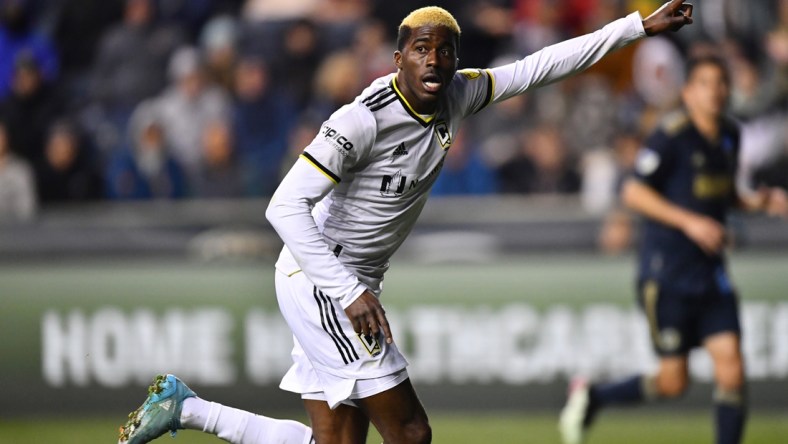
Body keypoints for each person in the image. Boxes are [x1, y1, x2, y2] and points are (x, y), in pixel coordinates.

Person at [118, 3, 694, 443]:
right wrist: (348, 293)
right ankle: (189, 408)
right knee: (412, 433)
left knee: (336, 442)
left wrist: (636, 28)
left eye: (445, 51)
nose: (435, 61)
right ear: (398, 59)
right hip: (323, 277)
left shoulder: (459, 94)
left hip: (345, 282)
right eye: (421, 50)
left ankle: (187, 408)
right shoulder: (362, 120)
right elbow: (282, 207)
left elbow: (541, 66)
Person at [559, 55, 788, 444]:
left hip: (710, 273)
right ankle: (594, 397)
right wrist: (690, 222)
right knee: (672, 381)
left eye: (720, 84)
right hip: (666, 274)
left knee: (732, 369)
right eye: (705, 84)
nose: (714, 92)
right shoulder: (671, 136)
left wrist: (760, 201)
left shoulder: (730, 135)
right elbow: (633, 191)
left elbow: (723, 195)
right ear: (688, 92)